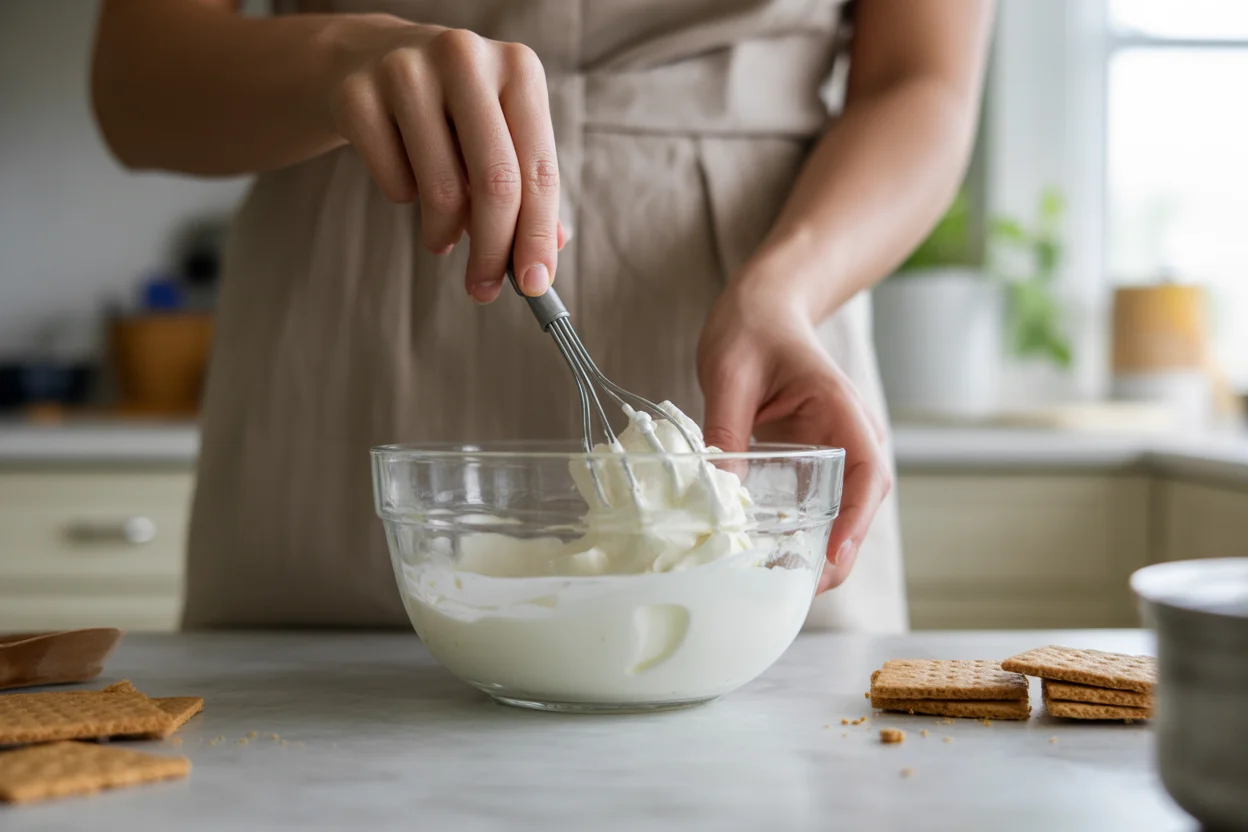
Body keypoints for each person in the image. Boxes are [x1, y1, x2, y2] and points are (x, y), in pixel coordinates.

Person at [92, 0, 993, 631]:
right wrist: (337, 58)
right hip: (343, 348)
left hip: (767, 314)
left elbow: (922, 84)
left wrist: (786, 291)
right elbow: (138, 81)